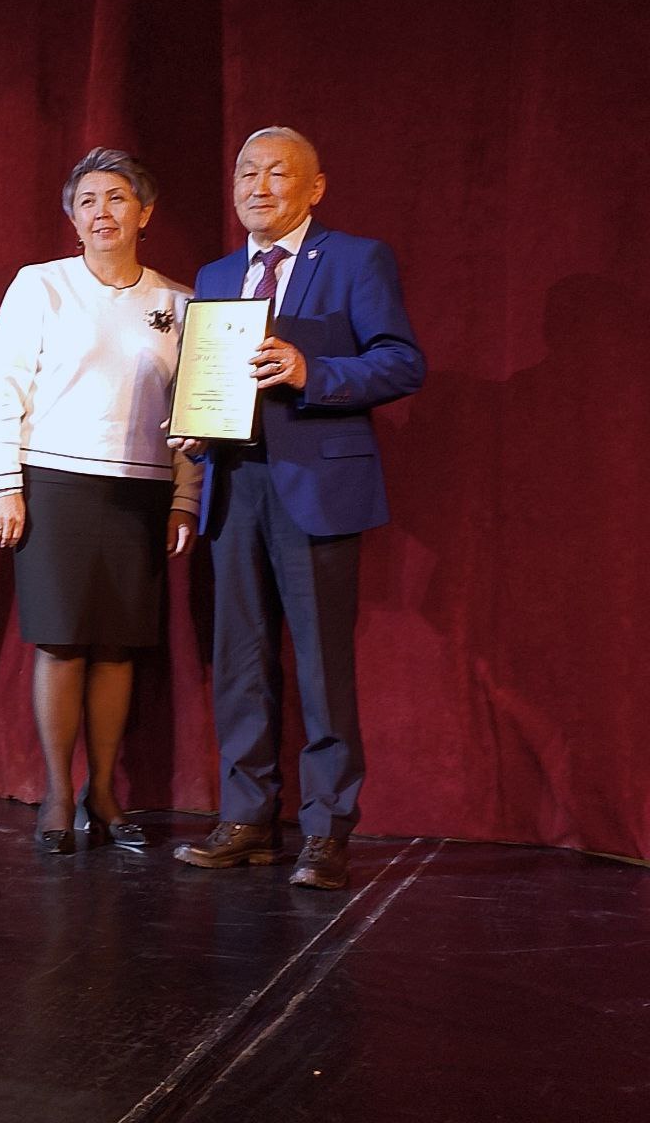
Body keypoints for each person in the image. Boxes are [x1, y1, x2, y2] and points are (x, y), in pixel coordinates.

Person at [170, 127, 425, 890]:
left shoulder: (354, 259)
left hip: (316, 486)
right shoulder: (217, 274)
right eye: (246, 172)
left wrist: (313, 371)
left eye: (277, 173)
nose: (258, 186)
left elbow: (401, 362)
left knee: (321, 664)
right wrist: (193, 424)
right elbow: (208, 374)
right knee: (241, 662)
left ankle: (325, 831)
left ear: (314, 188)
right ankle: (247, 819)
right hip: (234, 483)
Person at [0, 147, 200, 855]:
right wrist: (5, 483)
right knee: (63, 640)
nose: (101, 212)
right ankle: (57, 793)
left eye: (116, 198)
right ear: (73, 219)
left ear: (145, 213)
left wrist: (185, 499)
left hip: (141, 490)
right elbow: (3, 388)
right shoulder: (40, 285)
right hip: (55, 482)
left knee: (117, 646)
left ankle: (104, 794)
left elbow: (192, 412)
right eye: (87, 202)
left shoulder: (179, 303)